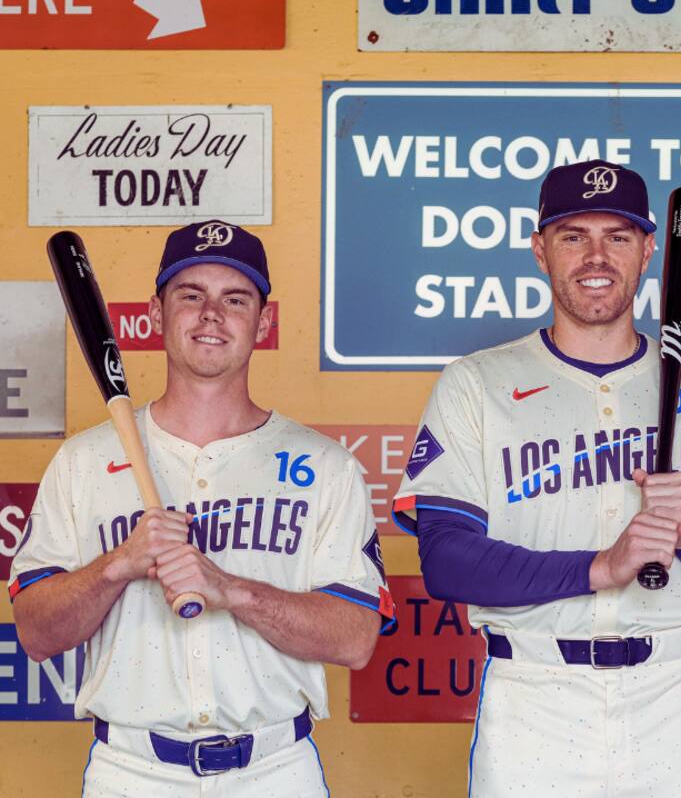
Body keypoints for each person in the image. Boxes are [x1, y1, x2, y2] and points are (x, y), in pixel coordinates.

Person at [392, 159, 681, 797]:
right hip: (533, 699)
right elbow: (446, 562)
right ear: (540, 250)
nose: (596, 256)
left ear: (649, 251)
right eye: (574, 235)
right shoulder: (477, 383)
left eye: (619, 236)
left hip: (675, 696)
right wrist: (601, 567)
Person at [10, 220, 395, 797]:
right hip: (131, 773)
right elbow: (37, 633)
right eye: (190, 295)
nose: (211, 314)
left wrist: (230, 589)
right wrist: (120, 564)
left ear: (263, 322)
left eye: (234, 299)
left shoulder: (326, 466)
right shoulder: (84, 462)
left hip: (275, 771)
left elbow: (356, 638)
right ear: (157, 313)